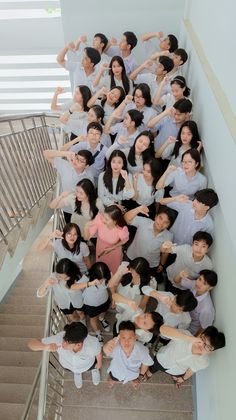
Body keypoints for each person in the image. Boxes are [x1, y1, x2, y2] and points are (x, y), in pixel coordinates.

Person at [28, 322, 102, 389]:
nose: (63, 344)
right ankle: (77, 373)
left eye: (67, 342)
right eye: (64, 339)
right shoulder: (59, 338)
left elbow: (98, 353)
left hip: (88, 365)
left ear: (79, 344)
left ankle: (94, 370)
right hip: (68, 366)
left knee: (93, 367)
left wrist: (99, 363)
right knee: (74, 370)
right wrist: (45, 347)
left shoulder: (93, 345)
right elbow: (31, 344)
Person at [145, 326, 225, 387]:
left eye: (208, 346)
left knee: (176, 376)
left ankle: (175, 378)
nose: (202, 345)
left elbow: (191, 370)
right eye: (203, 339)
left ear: (211, 351)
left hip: (177, 371)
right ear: (201, 334)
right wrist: (189, 338)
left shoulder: (204, 362)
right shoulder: (184, 335)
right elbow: (162, 329)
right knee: (154, 367)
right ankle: (149, 373)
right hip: (162, 358)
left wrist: (183, 379)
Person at [124, 205, 176, 281]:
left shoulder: (169, 236)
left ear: (169, 225)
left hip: (151, 264)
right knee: (128, 277)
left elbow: (165, 253)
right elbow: (126, 218)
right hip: (133, 257)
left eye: (166, 222)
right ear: (156, 216)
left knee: (144, 281)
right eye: (160, 218)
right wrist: (138, 209)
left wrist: (161, 264)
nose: (161, 223)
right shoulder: (144, 222)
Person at [43, 149, 94, 222]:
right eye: (77, 158)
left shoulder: (89, 176)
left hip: (81, 210)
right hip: (66, 207)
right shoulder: (65, 166)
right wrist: (66, 153)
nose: (76, 161)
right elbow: (46, 153)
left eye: (81, 161)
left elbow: (90, 195)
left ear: (86, 166)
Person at [103, 321, 154, 389]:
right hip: (116, 372)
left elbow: (146, 363)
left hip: (133, 374)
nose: (126, 342)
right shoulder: (115, 346)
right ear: (119, 337)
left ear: (135, 337)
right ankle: (112, 380)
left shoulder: (142, 349)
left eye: (130, 338)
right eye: (123, 338)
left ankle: (133, 380)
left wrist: (141, 374)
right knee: (113, 377)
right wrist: (107, 345)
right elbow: (106, 350)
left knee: (133, 379)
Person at [72, 262, 111, 343]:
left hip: (104, 299)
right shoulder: (86, 278)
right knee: (93, 318)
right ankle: (97, 332)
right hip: (91, 303)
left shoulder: (108, 275)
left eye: (103, 278)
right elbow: (73, 287)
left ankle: (102, 319)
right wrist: (89, 284)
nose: (101, 281)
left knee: (103, 312)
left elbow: (112, 285)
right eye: (99, 279)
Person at [84, 205, 129, 274]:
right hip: (100, 249)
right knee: (101, 269)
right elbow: (86, 238)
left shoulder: (121, 230)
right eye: (104, 217)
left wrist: (112, 247)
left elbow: (125, 240)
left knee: (113, 270)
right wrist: (86, 227)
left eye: (107, 219)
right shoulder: (100, 220)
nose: (103, 220)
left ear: (115, 221)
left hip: (114, 252)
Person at [174, 269, 217, 336]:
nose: (199, 284)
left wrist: (193, 339)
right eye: (199, 279)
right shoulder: (196, 285)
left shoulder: (207, 308)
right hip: (182, 314)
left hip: (190, 328)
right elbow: (176, 281)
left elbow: (204, 328)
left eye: (204, 284)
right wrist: (180, 275)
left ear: (210, 288)